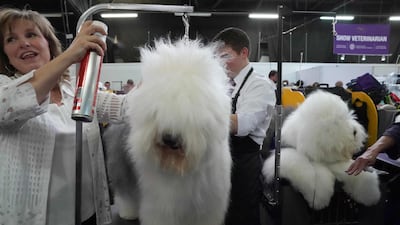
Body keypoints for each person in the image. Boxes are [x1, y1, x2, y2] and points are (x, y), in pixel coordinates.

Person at [0, 8, 129, 225]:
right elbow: (9, 106)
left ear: (48, 43)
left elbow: (126, 108)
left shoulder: (77, 89)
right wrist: (71, 54)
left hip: (88, 213)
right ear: (5, 53)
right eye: (11, 39)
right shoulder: (5, 89)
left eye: (31, 34)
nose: (23, 43)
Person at [212, 27, 276, 225]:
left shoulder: (259, 86)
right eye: (217, 57)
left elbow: (243, 124)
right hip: (222, 161)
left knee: (242, 216)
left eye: (225, 55)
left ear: (244, 52)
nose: (221, 63)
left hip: (244, 164)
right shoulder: (226, 84)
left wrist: (201, 115)